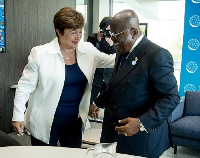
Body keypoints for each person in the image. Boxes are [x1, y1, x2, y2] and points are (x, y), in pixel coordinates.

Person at [12, 7, 115, 147]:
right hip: (44, 121)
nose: (78, 37)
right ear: (59, 32)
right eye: (73, 33)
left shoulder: (88, 50)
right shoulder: (40, 53)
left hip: (74, 122)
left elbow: (112, 61)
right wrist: (18, 115)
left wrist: (129, 44)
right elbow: (24, 87)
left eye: (80, 31)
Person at [89, 9, 180, 158]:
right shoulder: (121, 50)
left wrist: (141, 123)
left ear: (134, 31)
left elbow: (171, 97)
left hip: (139, 139)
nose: (113, 40)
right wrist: (98, 103)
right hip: (114, 133)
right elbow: (116, 85)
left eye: (116, 35)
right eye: (110, 34)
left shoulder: (157, 55)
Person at [87, 16, 116, 106]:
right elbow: (91, 54)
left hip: (109, 75)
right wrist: (98, 41)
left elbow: (115, 56)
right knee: (88, 100)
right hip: (96, 75)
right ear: (101, 29)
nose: (108, 32)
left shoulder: (115, 39)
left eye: (110, 30)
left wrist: (112, 45)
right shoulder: (92, 38)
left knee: (109, 102)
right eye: (106, 29)